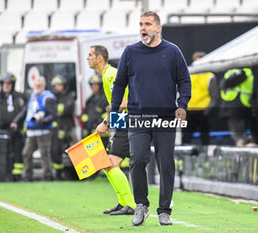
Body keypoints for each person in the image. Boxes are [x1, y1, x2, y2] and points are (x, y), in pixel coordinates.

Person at [111, 11, 191, 226]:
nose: (143, 28)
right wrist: (115, 114)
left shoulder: (173, 52)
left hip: (165, 117)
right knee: (137, 160)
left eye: (147, 24)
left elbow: (184, 81)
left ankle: (164, 210)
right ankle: (141, 205)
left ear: (158, 28)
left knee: (166, 164)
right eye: (141, 24)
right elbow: (119, 85)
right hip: (137, 117)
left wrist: (182, 105)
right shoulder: (130, 52)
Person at [87, 45, 136, 215]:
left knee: (110, 163)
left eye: (90, 55)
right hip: (124, 120)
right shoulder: (107, 75)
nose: (88, 58)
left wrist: (106, 123)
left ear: (100, 58)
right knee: (108, 163)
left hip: (128, 119)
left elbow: (122, 104)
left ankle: (130, 204)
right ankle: (124, 203)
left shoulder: (109, 75)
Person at [0, 73, 27, 181]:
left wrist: (23, 129)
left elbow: (27, 112)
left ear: (13, 84)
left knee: (17, 154)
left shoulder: (20, 97)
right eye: (4, 83)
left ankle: (17, 176)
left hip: (16, 131)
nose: (6, 85)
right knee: (2, 154)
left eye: (9, 83)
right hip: (1, 132)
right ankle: (2, 175)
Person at [17, 76, 57, 181]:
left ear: (43, 86)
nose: (37, 87)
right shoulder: (33, 96)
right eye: (36, 85)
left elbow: (53, 115)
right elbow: (25, 110)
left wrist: (44, 120)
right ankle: (27, 175)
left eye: (39, 85)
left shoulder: (47, 97)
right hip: (31, 132)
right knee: (26, 153)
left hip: (44, 131)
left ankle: (47, 175)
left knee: (44, 154)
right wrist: (16, 121)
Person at [183, 51, 219, 145]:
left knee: (205, 137)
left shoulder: (210, 76)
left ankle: (206, 157)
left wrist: (207, 110)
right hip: (190, 110)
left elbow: (215, 96)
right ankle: (183, 157)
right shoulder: (189, 75)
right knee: (186, 136)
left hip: (203, 111)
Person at [219, 68, 258, 146]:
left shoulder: (243, 71)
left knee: (239, 136)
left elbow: (224, 84)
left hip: (236, 107)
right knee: (240, 135)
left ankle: (245, 149)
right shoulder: (249, 71)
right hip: (241, 106)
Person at [50, 75, 75, 180]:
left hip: (66, 129)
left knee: (71, 152)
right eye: (55, 85)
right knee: (55, 152)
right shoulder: (54, 97)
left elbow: (68, 108)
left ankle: (75, 175)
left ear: (64, 85)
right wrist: (59, 109)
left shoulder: (69, 96)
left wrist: (60, 109)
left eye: (59, 85)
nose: (57, 87)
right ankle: (58, 174)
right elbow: (53, 110)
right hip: (56, 130)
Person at [81, 74, 109, 146]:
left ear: (100, 85)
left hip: (102, 134)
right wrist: (86, 125)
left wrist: (98, 122)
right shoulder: (89, 100)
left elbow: (108, 114)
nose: (93, 87)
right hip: (90, 134)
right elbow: (85, 115)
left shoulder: (105, 99)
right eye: (92, 85)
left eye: (95, 85)